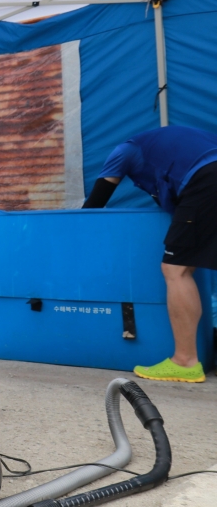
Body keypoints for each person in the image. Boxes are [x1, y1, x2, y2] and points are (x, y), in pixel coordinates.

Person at [83, 125, 217, 383]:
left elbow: (95, 203)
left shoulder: (124, 150)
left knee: (176, 269)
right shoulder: (181, 142)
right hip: (208, 176)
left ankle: (185, 362)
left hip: (206, 180)